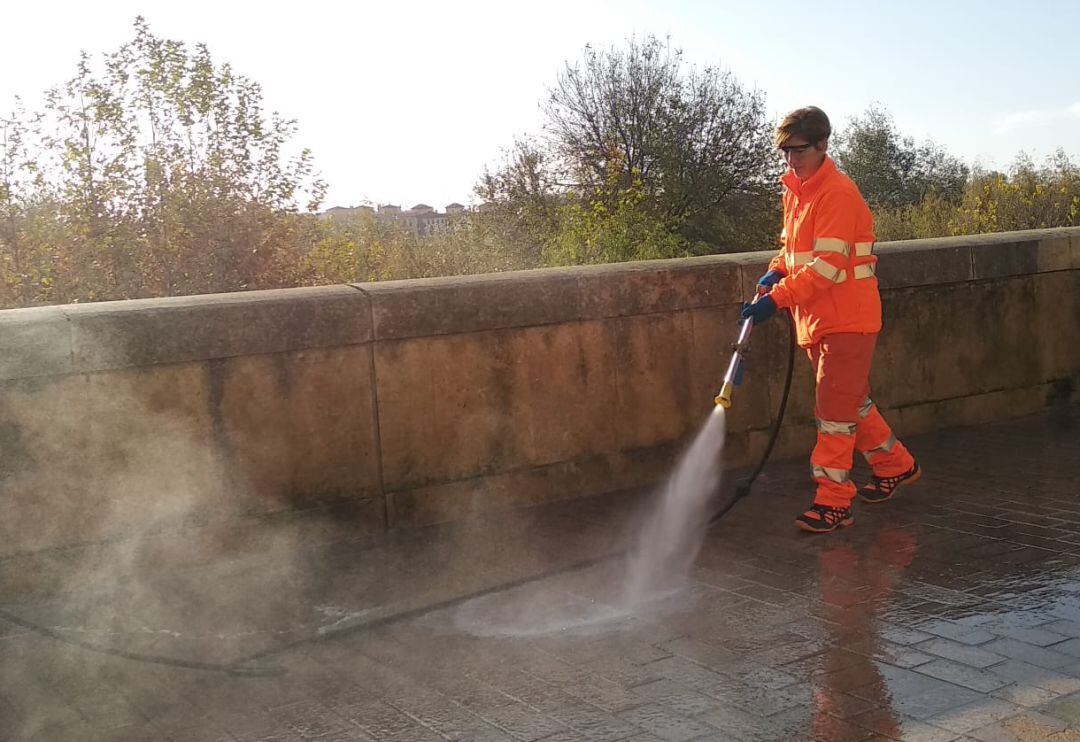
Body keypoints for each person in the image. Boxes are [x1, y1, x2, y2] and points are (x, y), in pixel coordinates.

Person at [741, 106, 921, 533]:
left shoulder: (837, 193)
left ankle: (834, 502)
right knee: (850, 404)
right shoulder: (796, 191)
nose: (790, 160)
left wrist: (777, 300)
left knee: (834, 415)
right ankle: (895, 464)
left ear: (823, 144)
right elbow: (793, 252)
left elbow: (828, 266)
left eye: (798, 150)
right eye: (784, 152)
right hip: (820, 321)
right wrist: (777, 269)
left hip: (848, 320)